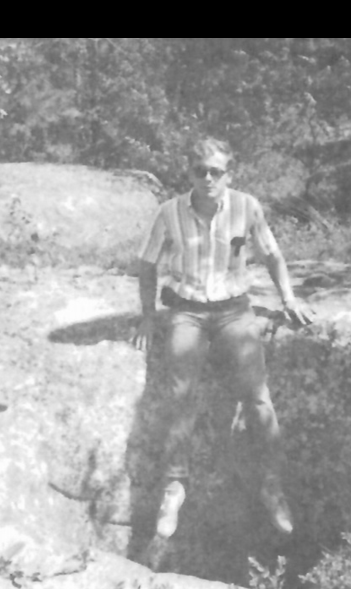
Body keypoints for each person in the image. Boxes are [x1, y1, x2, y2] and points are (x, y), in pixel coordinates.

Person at [130, 137, 314, 540]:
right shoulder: (169, 213)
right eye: (201, 171)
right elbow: (147, 265)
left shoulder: (246, 207)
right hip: (187, 310)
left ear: (229, 173)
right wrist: (147, 315)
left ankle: (271, 484)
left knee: (257, 395)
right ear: (189, 172)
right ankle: (174, 487)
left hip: (234, 310)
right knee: (179, 391)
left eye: (217, 171)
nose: (208, 178)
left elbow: (271, 255)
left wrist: (289, 298)